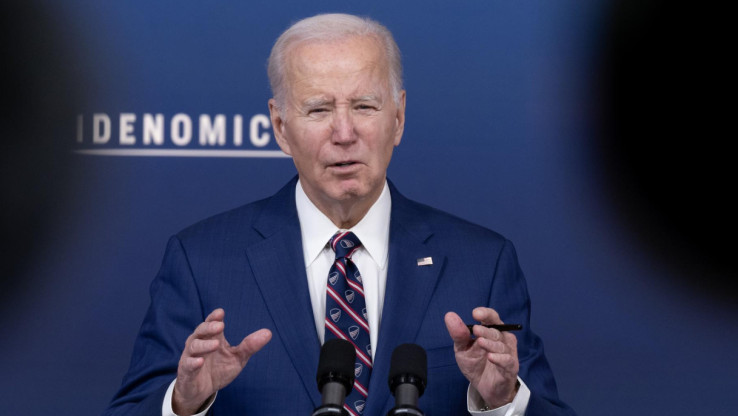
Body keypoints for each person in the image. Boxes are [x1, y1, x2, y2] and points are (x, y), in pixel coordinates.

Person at [104, 13, 574, 416]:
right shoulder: (201, 260)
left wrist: (502, 399)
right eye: (319, 109)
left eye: (365, 106)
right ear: (280, 127)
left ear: (399, 118)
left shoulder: (482, 263)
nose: (344, 132)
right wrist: (184, 402)